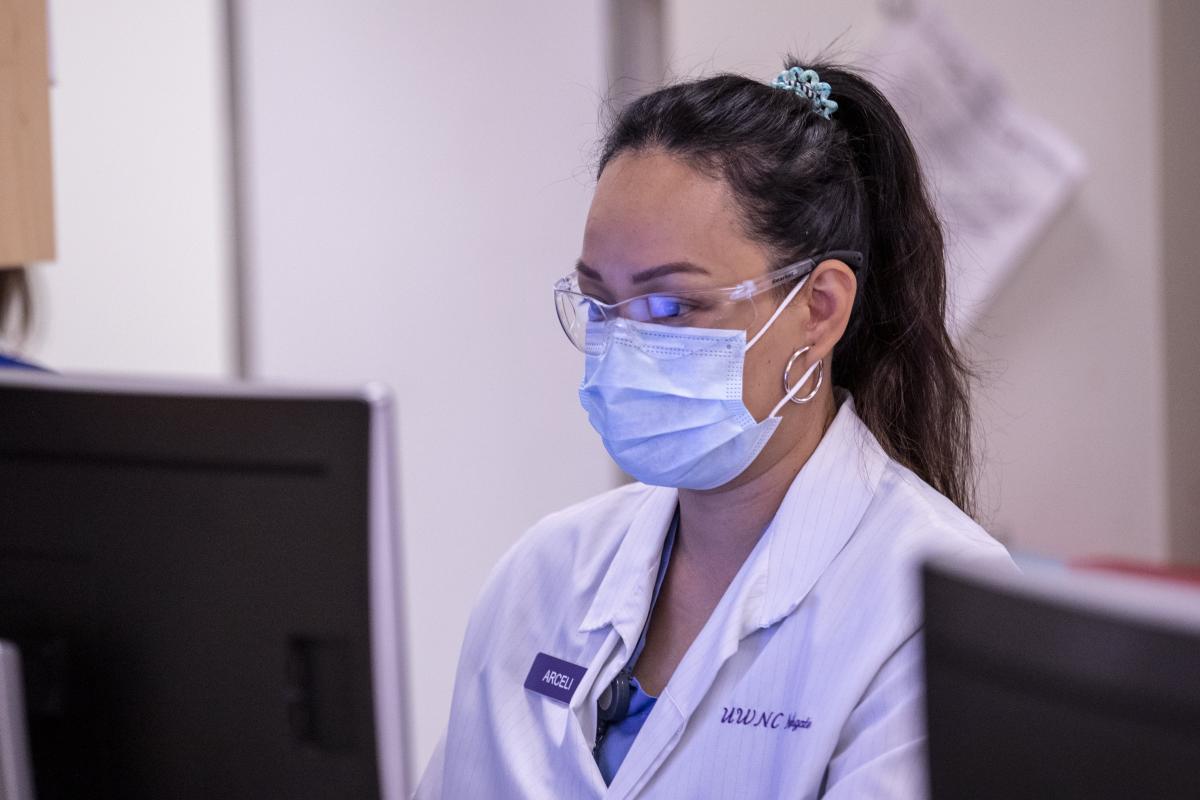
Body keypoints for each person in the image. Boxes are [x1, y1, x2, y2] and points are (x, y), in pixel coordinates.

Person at [415, 59, 1014, 799]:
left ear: (819, 308)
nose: (625, 344)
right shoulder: (546, 571)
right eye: (601, 305)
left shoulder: (933, 610)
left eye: (672, 307)